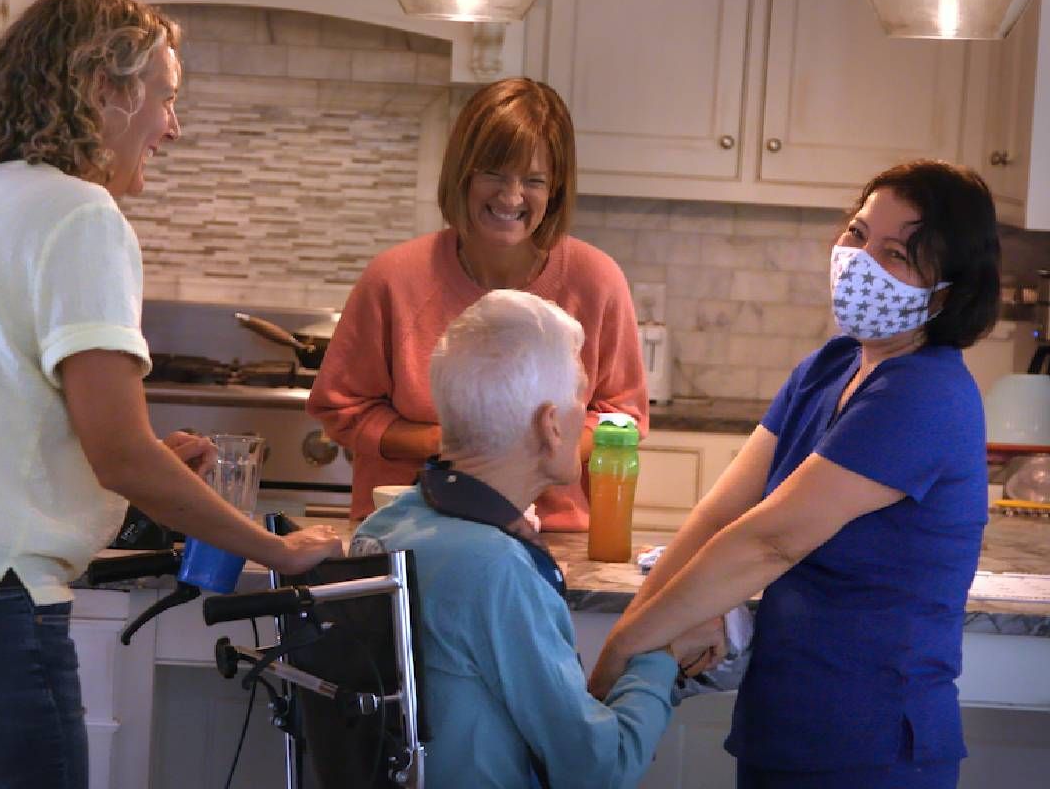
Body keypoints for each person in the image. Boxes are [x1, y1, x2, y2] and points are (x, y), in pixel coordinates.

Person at [0, 0, 340, 787]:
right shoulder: (82, 214)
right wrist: (278, 551)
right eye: (167, 97)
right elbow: (118, 453)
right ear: (104, 90)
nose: (173, 126)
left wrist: (149, 464)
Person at [586, 160, 1001, 788]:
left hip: (871, 742)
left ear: (947, 291)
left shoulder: (925, 394)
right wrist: (640, 630)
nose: (860, 260)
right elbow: (720, 518)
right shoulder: (828, 367)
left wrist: (622, 650)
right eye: (858, 234)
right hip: (786, 723)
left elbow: (769, 541)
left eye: (897, 254)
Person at [351, 289, 724, 789]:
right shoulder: (495, 567)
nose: (586, 419)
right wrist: (664, 654)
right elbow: (598, 769)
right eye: (582, 402)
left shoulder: (384, 527)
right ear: (551, 425)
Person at [306, 77, 648, 531]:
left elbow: (621, 419)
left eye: (533, 180)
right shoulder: (392, 279)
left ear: (556, 189)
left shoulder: (597, 281)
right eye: (494, 174)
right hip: (410, 533)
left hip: (552, 538)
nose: (511, 197)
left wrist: (520, 456)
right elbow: (342, 408)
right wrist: (450, 445)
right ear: (462, 173)